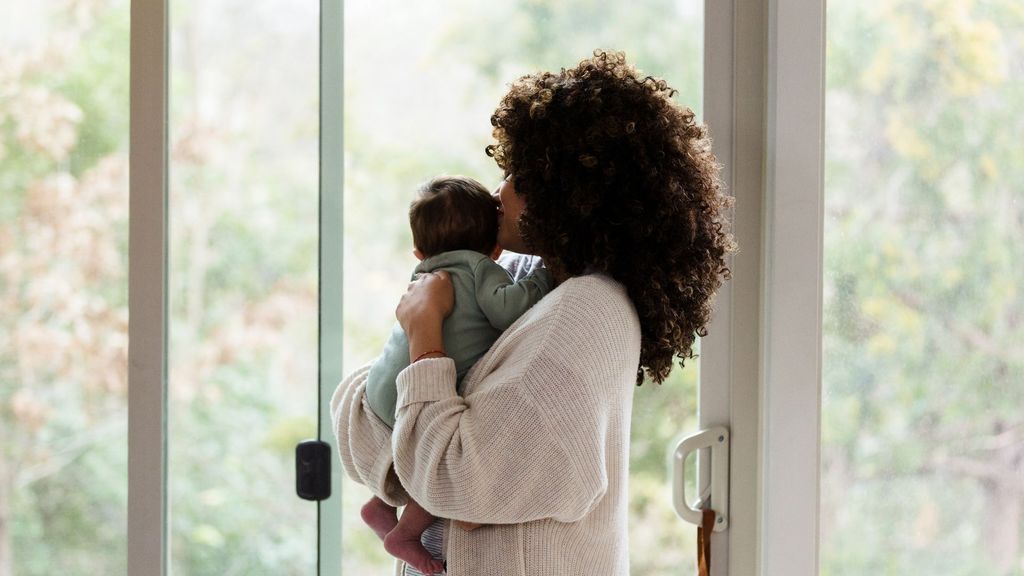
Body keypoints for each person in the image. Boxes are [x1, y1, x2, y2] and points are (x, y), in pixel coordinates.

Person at [332, 50, 734, 575]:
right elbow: (355, 413)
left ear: (572, 195)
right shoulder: (526, 282)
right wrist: (420, 464)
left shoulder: (586, 314)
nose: (498, 191)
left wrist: (424, 333)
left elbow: (450, 477)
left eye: (518, 175)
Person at [358, 175, 553, 575]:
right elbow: (507, 310)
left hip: (381, 387)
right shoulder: (480, 268)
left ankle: (380, 504)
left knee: (410, 449)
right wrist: (544, 275)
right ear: (495, 248)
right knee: (437, 463)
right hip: (422, 385)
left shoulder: (423, 273)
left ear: (418, 251)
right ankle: (406, 533)